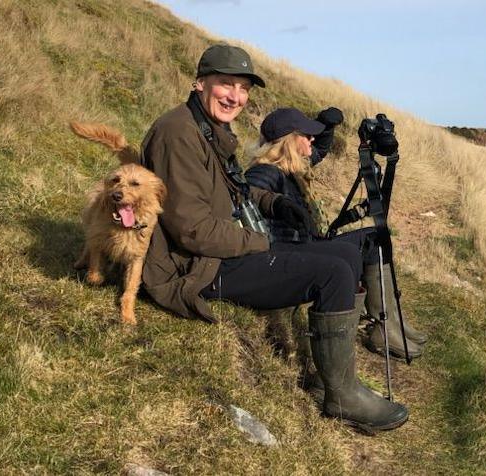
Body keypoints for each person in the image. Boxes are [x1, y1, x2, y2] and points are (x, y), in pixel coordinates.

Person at [138, 44, 408, 432]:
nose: (236, 96)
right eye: (225, 84)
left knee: (346, 259)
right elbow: (191, 230)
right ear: (200, 83)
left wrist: (272, 201)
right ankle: (342, 398)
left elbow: (231, 189)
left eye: (244, 88)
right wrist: (260, 243)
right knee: (332, 272)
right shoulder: (178, 133)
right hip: (196, 266)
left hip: (220, 249)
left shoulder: (208, 126)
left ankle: (336, 375)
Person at [244, 107, 429, 360]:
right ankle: (382, 329)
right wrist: (276, 202)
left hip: (307, 243)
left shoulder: (292, 167)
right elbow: (248, 192)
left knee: (375, 239)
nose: (311, 139)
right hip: (290, 252)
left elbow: (318, 149)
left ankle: (390, 321)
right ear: (288, 140)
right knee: (355, 248)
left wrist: (325, 126)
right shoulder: (265, 171)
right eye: (306, 134)